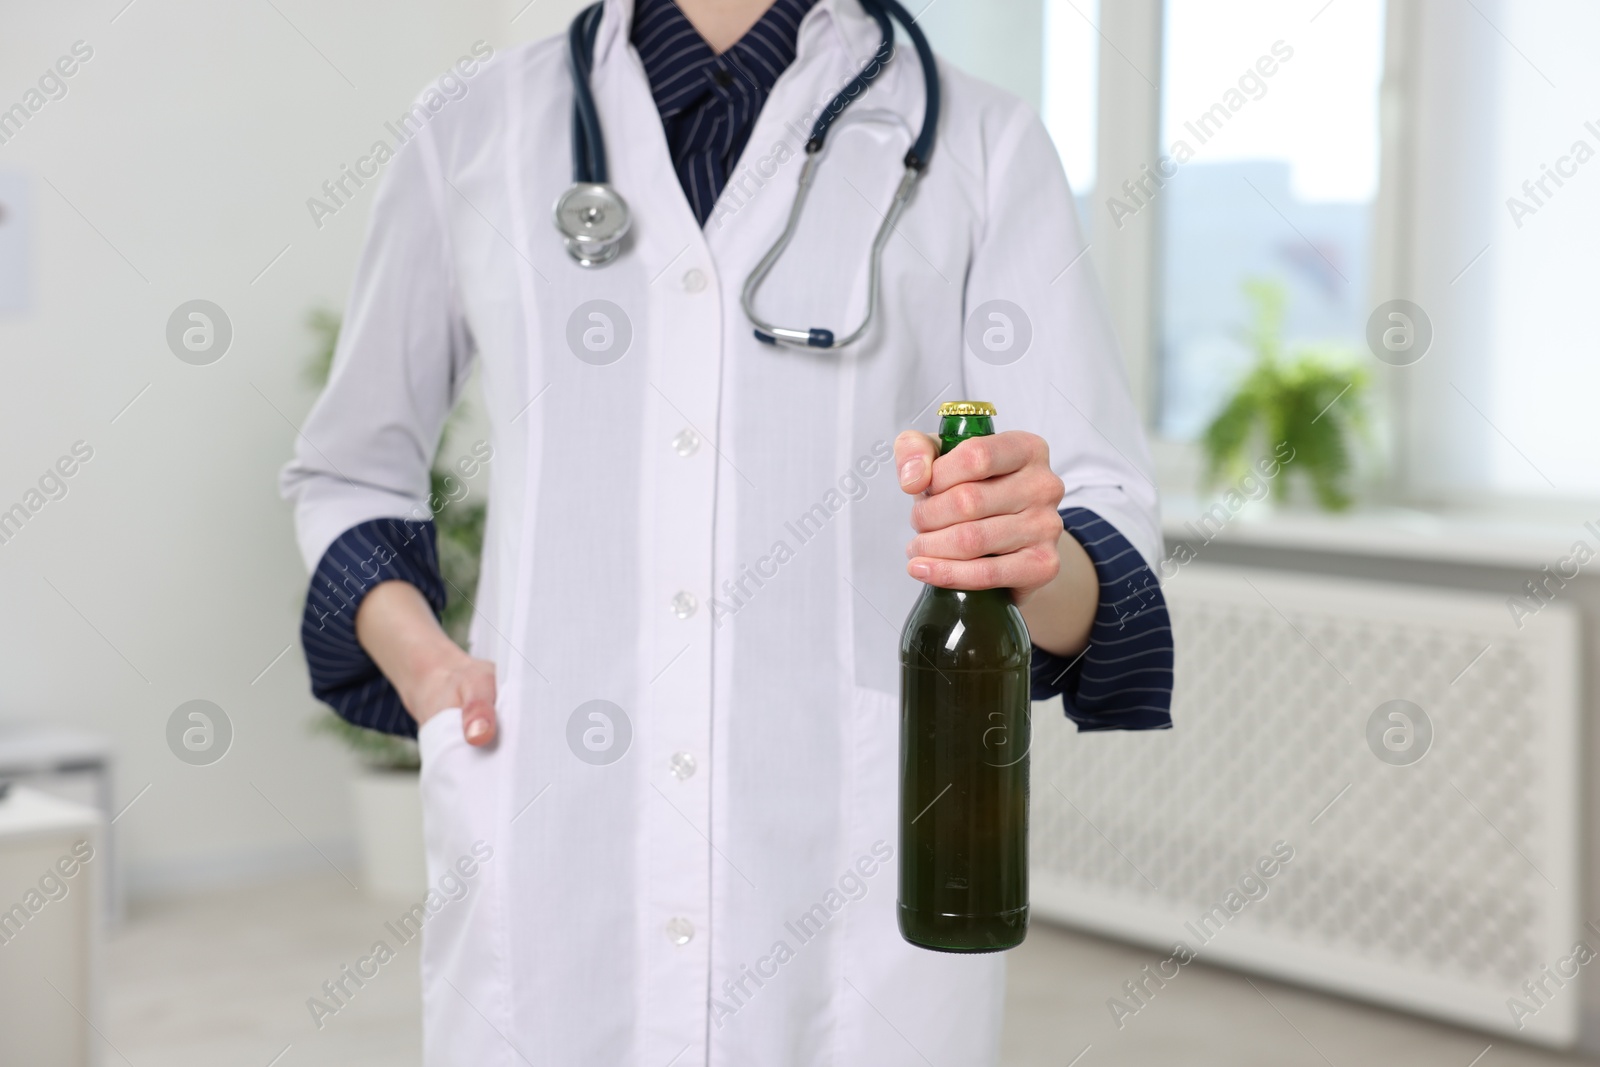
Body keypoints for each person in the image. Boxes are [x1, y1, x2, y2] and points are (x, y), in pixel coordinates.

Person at [280, 0, 1173, 1062]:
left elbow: (1100, 515)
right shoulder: (474, 127)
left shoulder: (980, 142)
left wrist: (1024, 543)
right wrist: (425, 669)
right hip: (552, 818)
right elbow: (348, 469)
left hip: (854, 852)